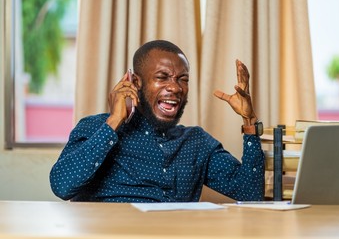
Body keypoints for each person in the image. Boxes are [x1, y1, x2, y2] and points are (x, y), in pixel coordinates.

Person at [50, 40, 265, 203]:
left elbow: (250, 193)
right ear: (135, 83)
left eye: (183, 79)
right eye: (162, 77)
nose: (175, 87)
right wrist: (115, 121)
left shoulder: (197, 143)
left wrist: (249, 121)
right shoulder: (95, 128)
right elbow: (62, 186)